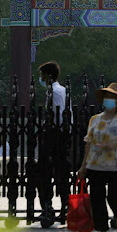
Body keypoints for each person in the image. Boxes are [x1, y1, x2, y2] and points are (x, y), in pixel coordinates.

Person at [77, 83, 117, 232]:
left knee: (114, 198)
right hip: (95, 164)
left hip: (115, 165)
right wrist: (83, 166)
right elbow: (88, 142)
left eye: (112, 97)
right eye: (107, 97)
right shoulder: (95, 119)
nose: (108, 100)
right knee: (97, 200)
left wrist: (113, 144)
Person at [36, 61, 71, 221]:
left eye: (42, 75)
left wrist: (51, 130)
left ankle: (48, 207)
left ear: (48, 75)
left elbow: (58, 114)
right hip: (61, 135)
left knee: (45, 172)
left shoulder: (55, 92)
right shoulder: (63, 90)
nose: (41, 78)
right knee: (61, 173)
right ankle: (65, 207)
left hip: (54, 135)